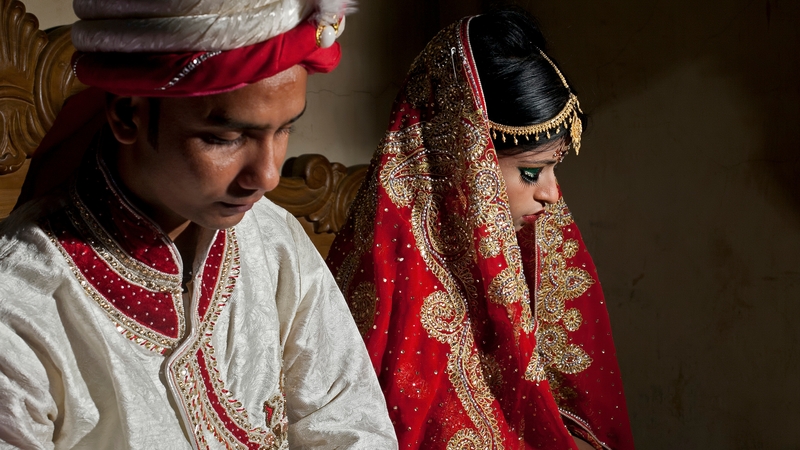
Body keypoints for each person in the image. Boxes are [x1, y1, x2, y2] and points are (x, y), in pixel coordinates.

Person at [0, 0, 397, 448]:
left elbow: (350, 426)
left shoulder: (274, 240)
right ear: (128, 114)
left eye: (285, 130)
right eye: (226, 138)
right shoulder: (21, 302)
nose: (266, 176)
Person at [326, 9, 635, 450]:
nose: (551, 193)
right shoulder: (398, 284)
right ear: (465, 164)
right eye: (531, 173)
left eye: (553, 169)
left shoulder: (526, 254)